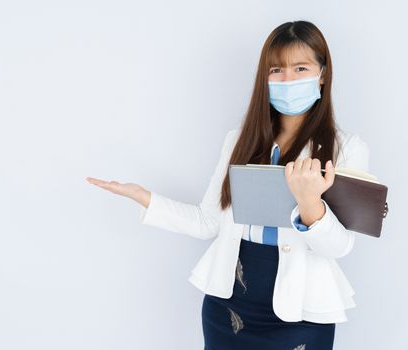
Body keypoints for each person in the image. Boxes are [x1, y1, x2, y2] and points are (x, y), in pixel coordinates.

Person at [86, 20, 369, 350]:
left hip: (302, 312)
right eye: (276, 70)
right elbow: (209, 222)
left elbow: (339, 247)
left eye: (300, 68)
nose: (287, 79)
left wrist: (310, 204)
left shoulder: (345, 148)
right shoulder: (240, 140)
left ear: (322, 74)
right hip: (230, 303)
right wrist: (145, 198)